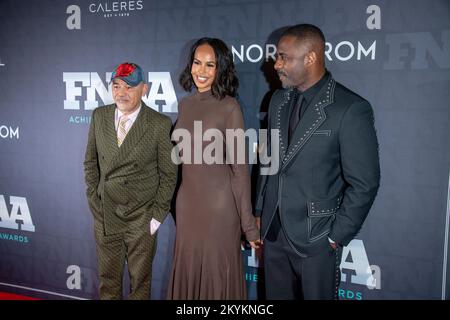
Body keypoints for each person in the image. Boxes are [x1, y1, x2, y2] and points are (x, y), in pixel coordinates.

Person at [255, 24, 380, 300]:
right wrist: (260, 209)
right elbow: (270, 159)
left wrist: (335, 236)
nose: (276, 64)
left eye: (284, 57)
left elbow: (365, 183)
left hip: (316, 238)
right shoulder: (278, 99)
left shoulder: (349, 108)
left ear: (310, 58)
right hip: (274, 233)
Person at [167, 38, 261, 300]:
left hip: (219, 208)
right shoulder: (185, 105)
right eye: (197, 63)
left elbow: (240, 169)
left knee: (216, 279)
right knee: (188, 272)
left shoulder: (229, 107)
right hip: (187, 206)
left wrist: (248, 225)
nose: (202, 71)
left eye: (211, 65)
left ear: (221, 69)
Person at [84, 62, 178, 299]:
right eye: (116, 86)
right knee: (108, 283)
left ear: (144, 89)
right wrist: (95, 202)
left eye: (129, 87)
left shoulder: (159, 124)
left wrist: (156, 217)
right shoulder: (99, 116)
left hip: (141, 218)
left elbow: (169, 175)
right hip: (106, 215)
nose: (121, 93)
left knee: (140, 286)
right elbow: (90, 163)